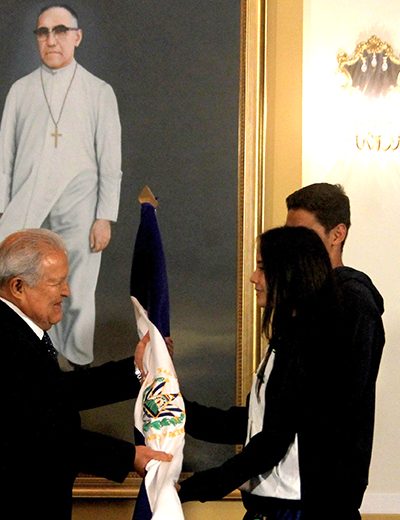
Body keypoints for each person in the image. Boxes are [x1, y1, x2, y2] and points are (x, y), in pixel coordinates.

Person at [176, 226, 384, 520]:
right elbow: (253, 422)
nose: (253, 278)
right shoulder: (286, 340)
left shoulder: (313, 344)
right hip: (270, 509)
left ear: (290, 273)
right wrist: (176, 412)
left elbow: (273, 440)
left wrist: (195, 487)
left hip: (299, 511)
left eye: (262, 268)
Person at [0, 228, 171, 520]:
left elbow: (56, 394)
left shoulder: (15, 333)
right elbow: (40, 432)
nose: (66, 291)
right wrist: (129, 456)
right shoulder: (6, 340)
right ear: (18, 286)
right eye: (56, 282)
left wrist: (137, 369)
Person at [0, 4, 122, 368]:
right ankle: (30, 361)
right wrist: (2, 209)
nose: (51, 40)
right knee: (21, 288)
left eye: (60, 31)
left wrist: (104, 216)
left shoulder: (99, 91)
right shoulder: (21, 90)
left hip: (80, 204)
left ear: (77, 37)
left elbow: (110, 160)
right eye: (43, 32)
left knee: (77, 289)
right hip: (27, 201)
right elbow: (4, 155)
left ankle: (77, 363)